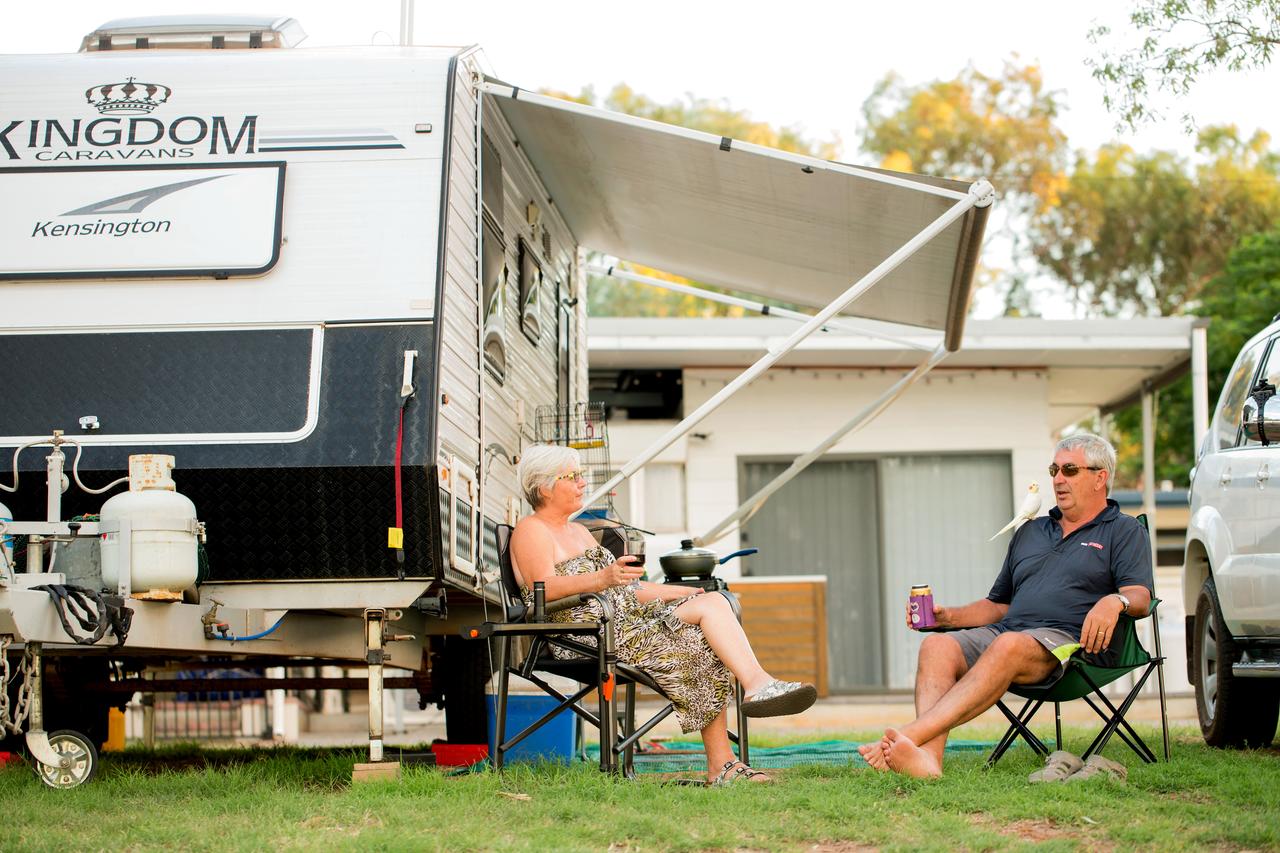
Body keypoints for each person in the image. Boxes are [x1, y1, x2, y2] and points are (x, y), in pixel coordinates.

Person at [510, 443, 817, 785]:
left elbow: (627, 588)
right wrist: (602, 578)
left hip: (626, 625)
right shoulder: (531, 530)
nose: (583, 482)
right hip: (587, 636)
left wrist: (681, 592)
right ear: (545, 486)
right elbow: (542, 588)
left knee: (713, 603)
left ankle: (753, 696)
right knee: (699, 642)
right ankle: (726, 759)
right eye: (573, 476)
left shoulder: (578, 531)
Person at [858, 433, 1153, 778]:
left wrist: (1114, 600)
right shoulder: (1031, 532)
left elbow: (1140, 596)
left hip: (1071, 647)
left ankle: (909, 736)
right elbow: (999, 605)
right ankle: (928, 760)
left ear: (1100, 477)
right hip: (1007, 634)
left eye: (1070, 470)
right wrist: (948, 617)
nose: (1058, 479)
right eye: (1054, 470)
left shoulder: (1123, 530)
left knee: (1008, 644)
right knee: (936, 646)